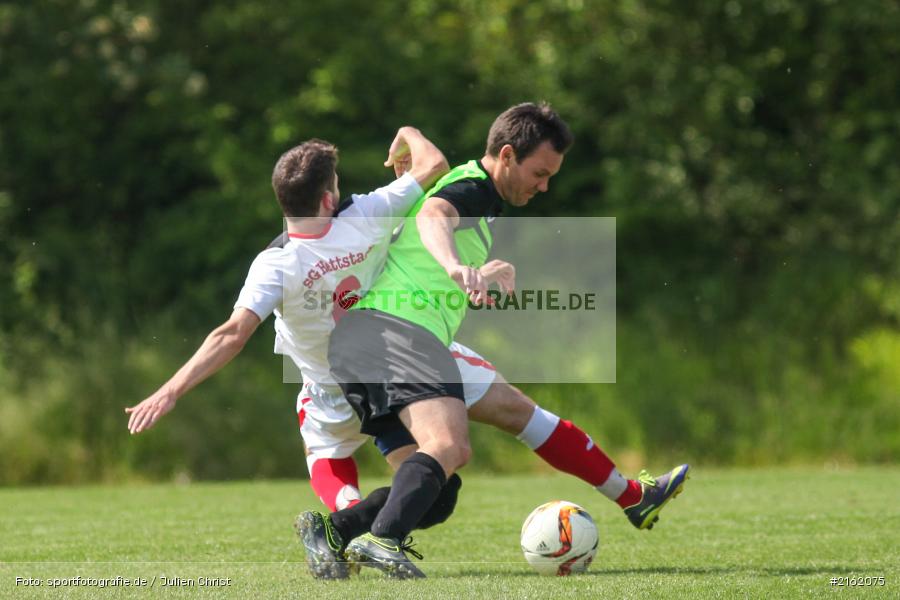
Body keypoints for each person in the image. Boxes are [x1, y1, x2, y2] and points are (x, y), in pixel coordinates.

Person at [322, 103, 689, 578]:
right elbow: (434, 215)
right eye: (540, 173)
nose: (544, 186)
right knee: (450, 445)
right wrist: (456, 267)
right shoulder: (473, 185)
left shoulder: (483, 200)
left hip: (373, 338)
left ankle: (336, 530)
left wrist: (472, 273)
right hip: (397, 332)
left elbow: (421, 240)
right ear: (509, 155)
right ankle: (381, 540)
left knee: (444, 484)